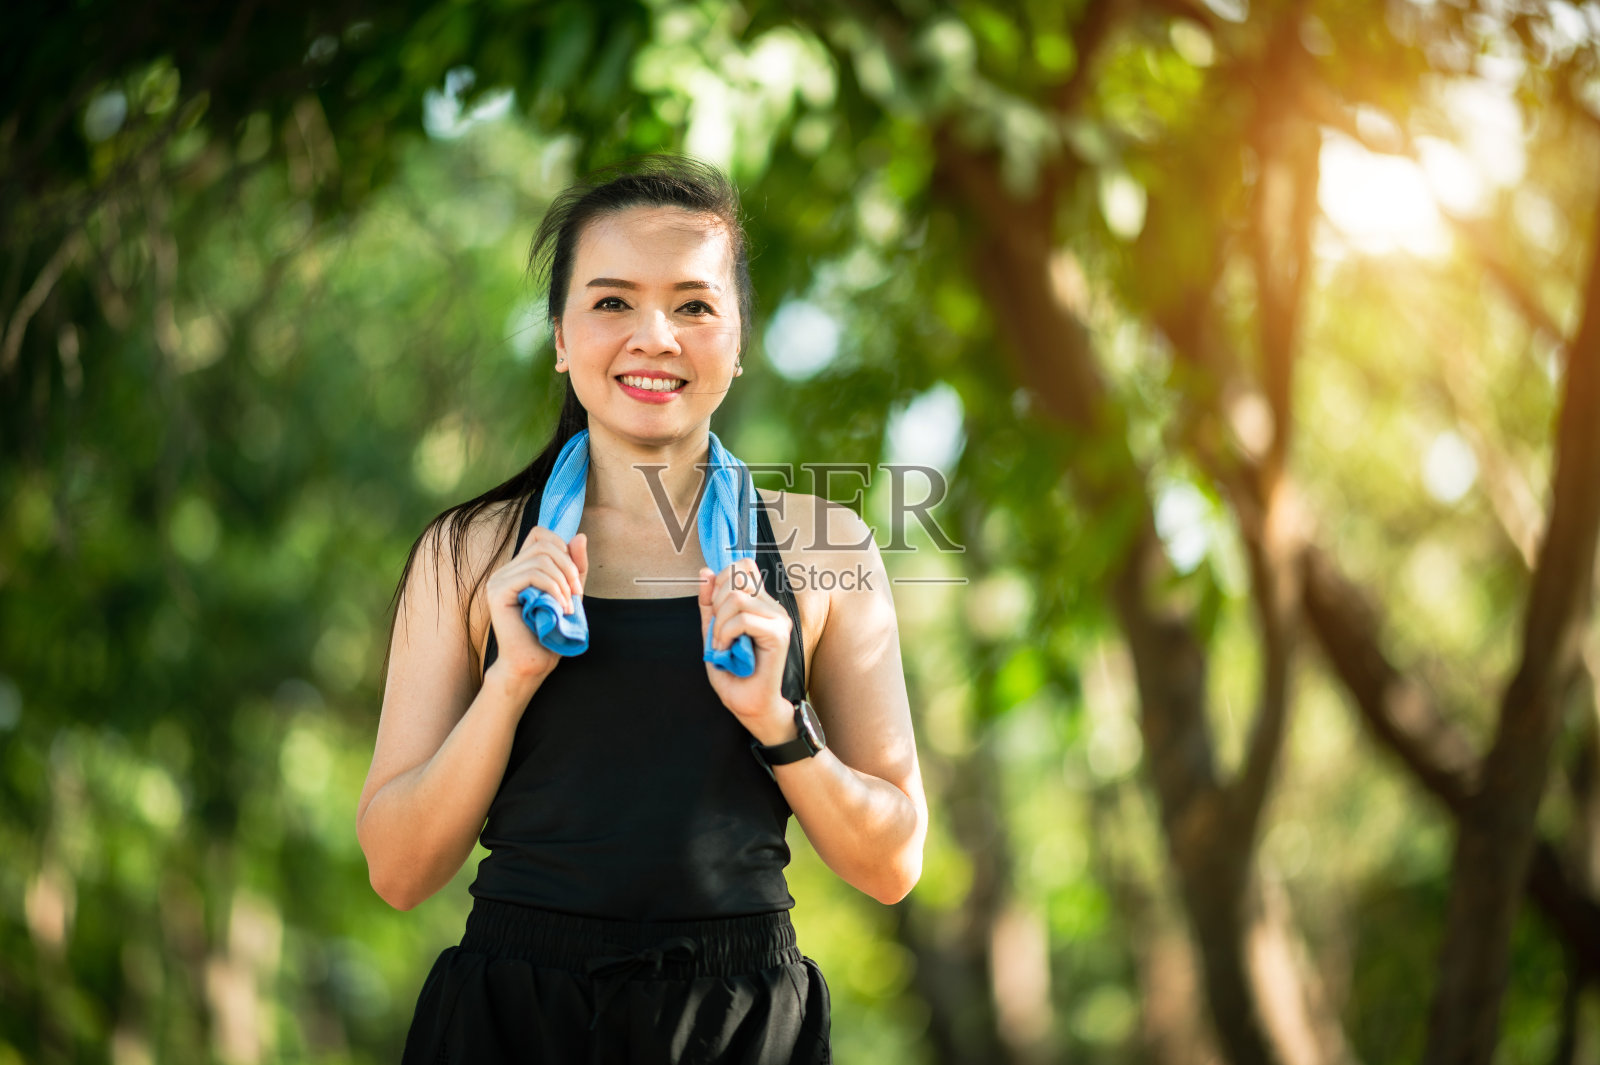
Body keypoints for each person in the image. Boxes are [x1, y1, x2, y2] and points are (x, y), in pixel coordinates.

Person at [357, 156, 928, 1064]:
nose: (654, 336)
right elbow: (397, 869)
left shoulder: (825, 551)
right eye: (612, 301)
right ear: (560, 337)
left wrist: (780, 725)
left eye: (694, 305)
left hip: (740, 1027)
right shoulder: (469, 553)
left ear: (738, 342)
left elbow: (892, 863)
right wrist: (508, 684)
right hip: (513, 1020)